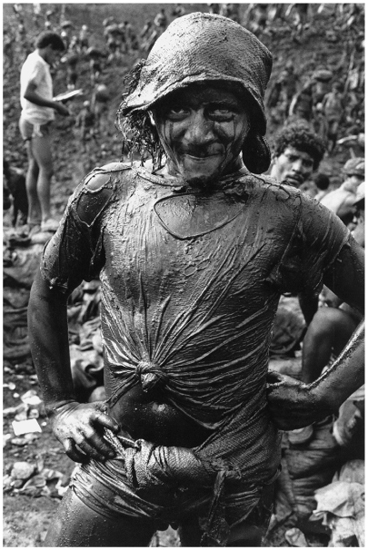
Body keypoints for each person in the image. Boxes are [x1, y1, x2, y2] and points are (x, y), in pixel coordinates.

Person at [28, 13, 364, 547]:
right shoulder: (110, 196)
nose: (198, 132)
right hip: (118, 459)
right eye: (178, 109)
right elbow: (48, 288)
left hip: (231, 466)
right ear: (152, 112)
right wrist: (60, 405)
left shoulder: (289, 216)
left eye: (221, 112)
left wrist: (325, 396)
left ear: (251, 121)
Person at [19, 31, 69, 235]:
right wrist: (56, 106)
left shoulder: (32, 60)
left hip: (28, 120)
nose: (55, 59)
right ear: (49, 47)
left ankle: (33, 219)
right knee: (46, 170)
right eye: (56, 54)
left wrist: (54, 102)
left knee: (35, 168)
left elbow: (34, 93)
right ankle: (46, 217)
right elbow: (29, 93)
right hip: (37, 122)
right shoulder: (39, 64)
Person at [269, 122, 325, 188]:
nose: (298, 169)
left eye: (307, 163)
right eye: (291, 158)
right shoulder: (254, 189)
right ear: (274, 157)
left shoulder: (303, 198)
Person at [320, 157, 364, 226]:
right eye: (360, 177)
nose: (363, 182)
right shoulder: (350, 199)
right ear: (346, 177)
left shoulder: (333, 193)